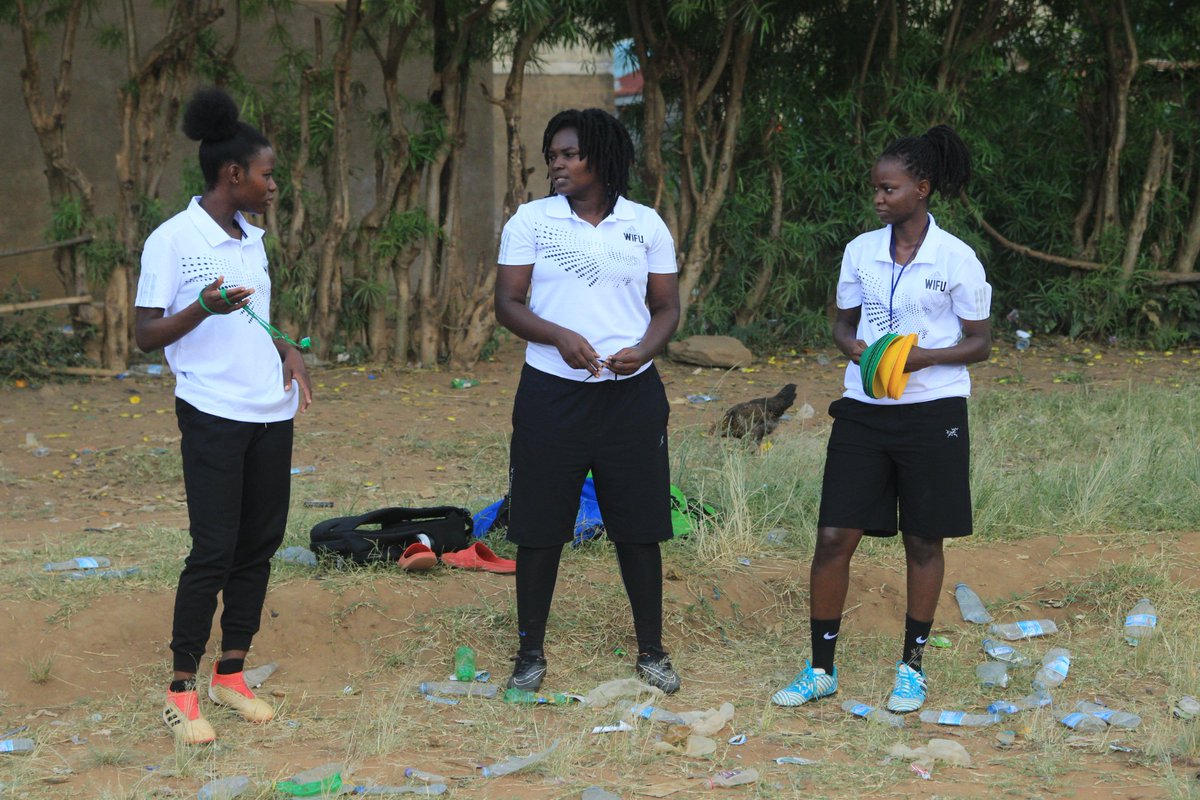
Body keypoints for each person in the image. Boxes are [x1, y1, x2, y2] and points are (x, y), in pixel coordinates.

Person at [771, 125, 991, 713]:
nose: (878, 199)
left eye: (889, 189)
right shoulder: (859, 251)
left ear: (921, 189)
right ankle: (821, 669)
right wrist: (860, 351)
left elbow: (980, 342)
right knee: (833, 536)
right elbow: (842, 323)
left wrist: (922, 357)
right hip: (864, 410)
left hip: (933, 410)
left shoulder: (957, 259)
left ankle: (911, 669)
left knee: (923, 539)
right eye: (875, 189)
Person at [134, 87, 312, 744]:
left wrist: (286, 346)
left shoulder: (251, 239)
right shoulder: (173, 240)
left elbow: (253, 317)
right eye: (266, 175)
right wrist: (201, 308)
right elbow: (147, 335)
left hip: (272, 410)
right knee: (213, 548)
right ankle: (181, 689)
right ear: (232, 174)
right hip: (211, 412)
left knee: (259, 543)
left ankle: (230, 673)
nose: (272, 185)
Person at [494, 108, 682, 694]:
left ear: (602, 158)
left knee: (639, 525)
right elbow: (508, 303)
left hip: (631, 397)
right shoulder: (531, 221)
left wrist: (643, 350)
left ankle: (651, 650)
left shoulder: (645, 224)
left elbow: (667, 308)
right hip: (552, 394)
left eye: (569, 154)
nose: (557, 163)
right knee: (539, 525)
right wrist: (558, 337)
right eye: (552, 154)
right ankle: (530, 654)